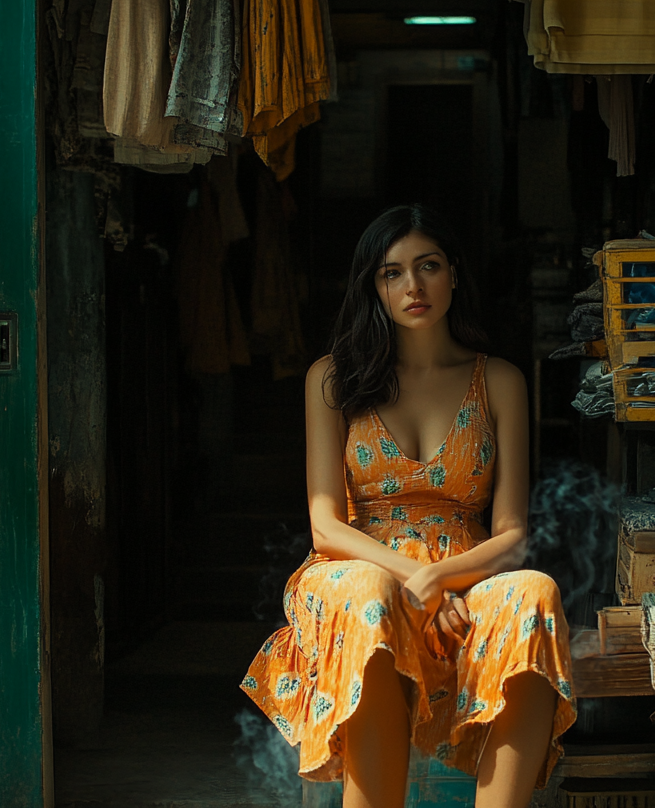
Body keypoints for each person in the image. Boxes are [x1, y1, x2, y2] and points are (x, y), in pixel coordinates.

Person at [242, 205, 576, 808]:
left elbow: (512, 533)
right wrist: (411, 581)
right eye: (391, 273)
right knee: (371, 591)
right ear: (374, 287)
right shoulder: (333, 380)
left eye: (428, 267)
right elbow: (325, 527)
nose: (413, 287)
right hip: (357, 567)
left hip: (462, 578)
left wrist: (437, 579)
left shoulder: (498, 380)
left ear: (454, 274)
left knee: (534, 591)